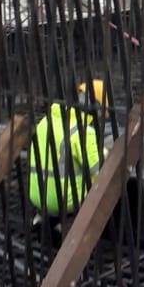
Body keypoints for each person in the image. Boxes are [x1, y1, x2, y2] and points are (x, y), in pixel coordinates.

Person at [28, 81, 108, 219]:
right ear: (97, 108)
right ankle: (70, 222)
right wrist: (106, 152)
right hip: (65, 201)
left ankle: (44, 218)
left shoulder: (46, 121)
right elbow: (100, 170)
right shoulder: (83, 132)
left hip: (36, 195)